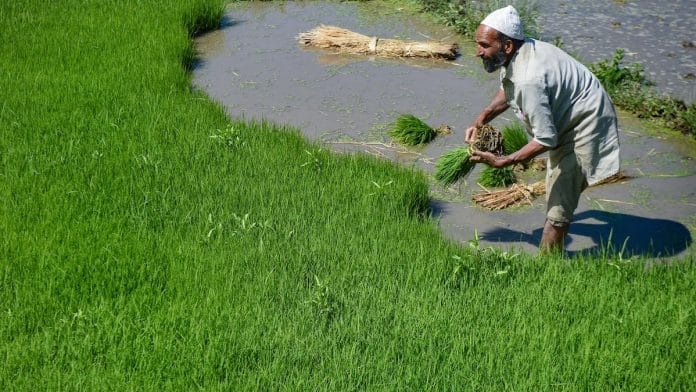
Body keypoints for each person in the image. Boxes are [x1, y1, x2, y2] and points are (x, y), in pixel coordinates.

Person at [464, 5, 620, 252]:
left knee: (558, 210)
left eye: (484, 45)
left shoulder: (529, 78)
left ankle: (547, 269)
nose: (478, 52)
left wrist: (505, 161)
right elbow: (509, 89)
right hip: (571, 113)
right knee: (555, 191)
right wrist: (482, 118)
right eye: (478, 44)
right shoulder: (519, 53)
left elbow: (546, 139)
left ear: (507, 46)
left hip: (587, 125)